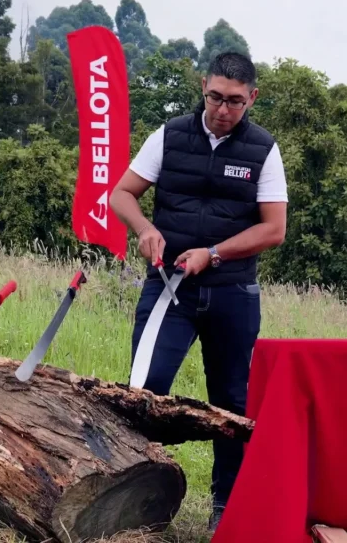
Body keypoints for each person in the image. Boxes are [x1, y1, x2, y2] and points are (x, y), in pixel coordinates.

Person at [109, 51, 288, 530]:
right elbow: (121, 193)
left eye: (234, 101)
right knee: (143, 392)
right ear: (202, 87)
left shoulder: (264, 150)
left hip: (233, 293)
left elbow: (274, 229)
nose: (222, 109)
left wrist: (216, 253)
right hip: (170, 289)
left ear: (252, 98)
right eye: (214, 97)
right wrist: (144, 228)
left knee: (231, 403)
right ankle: (129, 499)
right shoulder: (169, 135)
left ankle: (224, 509)